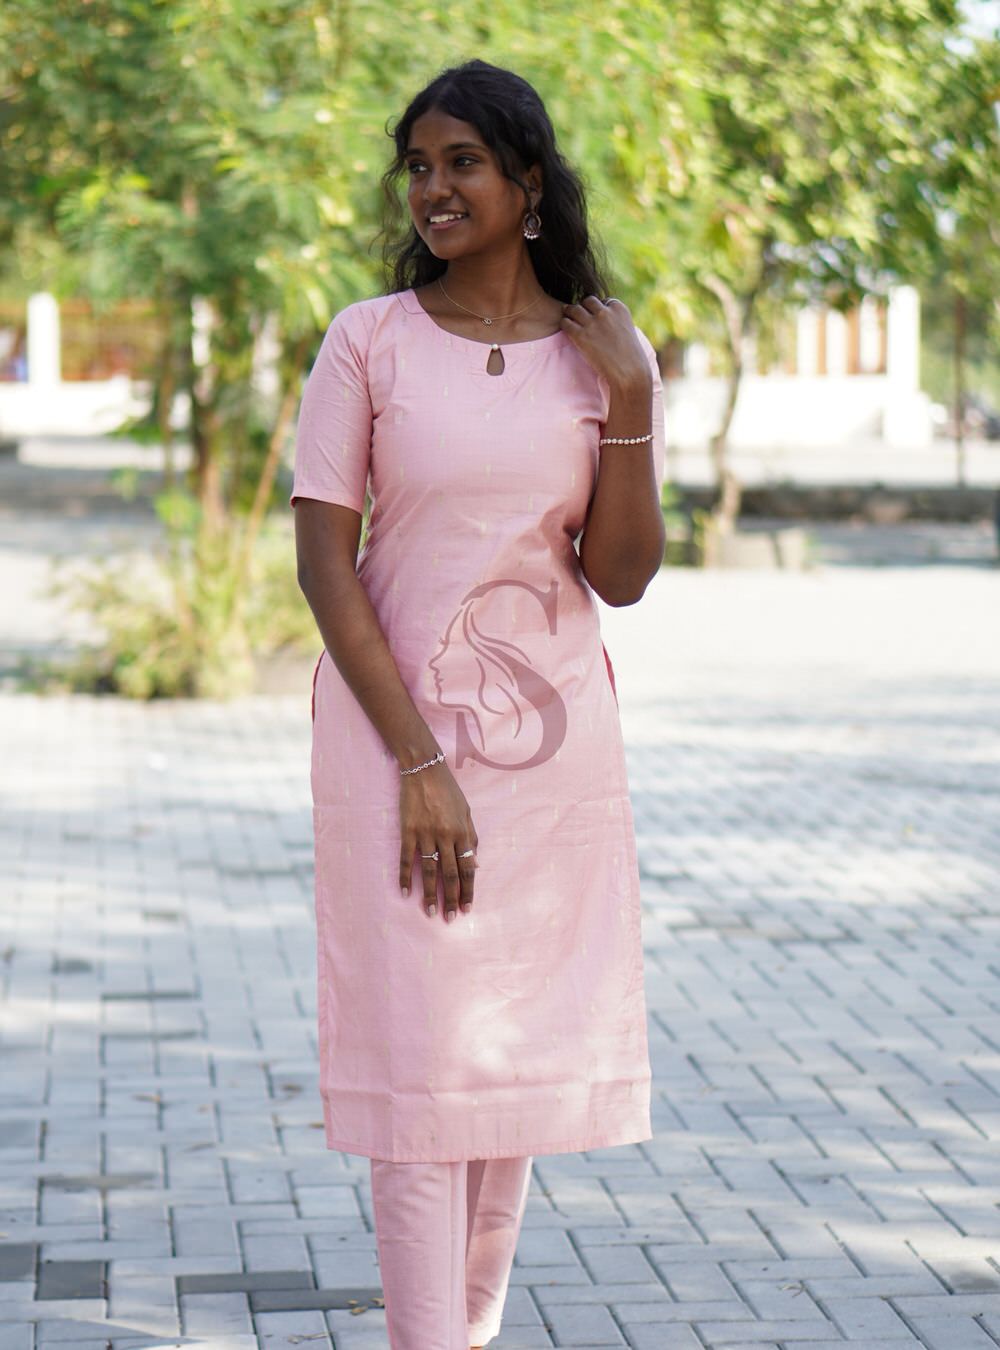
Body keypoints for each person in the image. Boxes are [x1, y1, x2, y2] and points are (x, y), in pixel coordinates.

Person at [291, 57, 666, 1350]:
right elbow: (324, 563)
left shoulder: (600, 353)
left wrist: (633, 400)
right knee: (423, 1078)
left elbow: (620, 575)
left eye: (462, 162)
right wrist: (417, 764)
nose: (433, 188)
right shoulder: (369, 341)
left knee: (508, 1071)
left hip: (552, 761)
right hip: (395, 744)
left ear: (529, 181)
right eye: (418, 166)